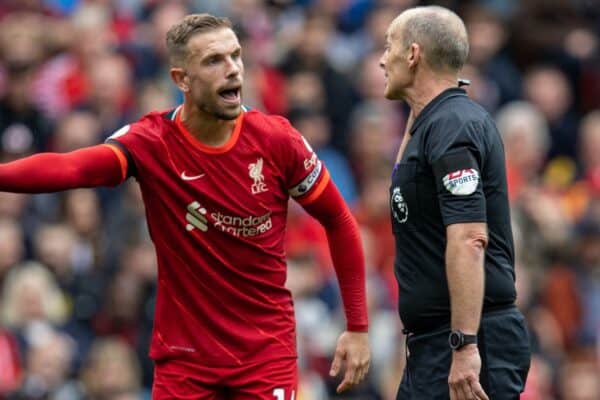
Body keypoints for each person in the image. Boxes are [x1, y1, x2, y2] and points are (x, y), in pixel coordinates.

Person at [0, 14, 370, 399]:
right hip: (185, 361)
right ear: (181, 79)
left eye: (236, 56)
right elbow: (71, 167)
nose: (232, 70)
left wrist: (357, 326)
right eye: (214, 60)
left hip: (264, 354)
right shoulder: (152, 143)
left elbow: (339, 219)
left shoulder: (277, 141)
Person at [379, 6, 531, 400]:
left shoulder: (452, 126)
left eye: (388, 46)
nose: (382, 59)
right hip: (434, 346)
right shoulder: (432, 123)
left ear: (412, 55)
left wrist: (464, 345)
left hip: (468, 343)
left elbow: (468, 238)